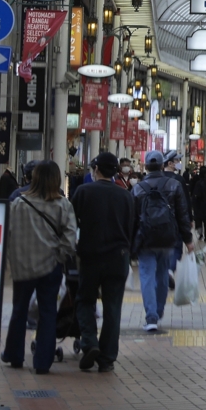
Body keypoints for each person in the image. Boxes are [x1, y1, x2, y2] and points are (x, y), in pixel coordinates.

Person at [2, 162, 78, 374]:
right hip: (50, 267)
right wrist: (59, 256)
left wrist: (12, 258)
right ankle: (42, 362)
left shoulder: (18, 204)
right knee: (47, 313)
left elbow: (7, 233)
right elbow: (70, 239)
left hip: (22, 267)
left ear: (33, 178)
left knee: (19, 310)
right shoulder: (63, 205)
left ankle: (14, 355)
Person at [70, 152, 135, 373]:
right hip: (118, 257)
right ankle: (107, 358)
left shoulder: (83, 191)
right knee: (113, 307)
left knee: (85, 299)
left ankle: (89, 343)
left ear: (96, 169)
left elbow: (72, 223)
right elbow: (131, 228)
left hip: (90, 255)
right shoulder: (126, 196)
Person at [132, 151, 195, 332]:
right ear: (162, 165)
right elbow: (183, 215)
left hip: (145, 238)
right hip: (168, 237)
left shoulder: (138, 188)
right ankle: (158, 312)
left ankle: (151, 316)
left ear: (145, 167)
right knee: (162, 275)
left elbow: (132, 218)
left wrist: (130, 243)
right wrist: (188, 239)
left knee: (146, 275)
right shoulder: (174, 185)